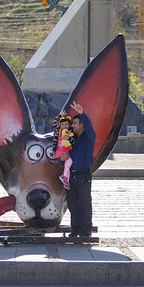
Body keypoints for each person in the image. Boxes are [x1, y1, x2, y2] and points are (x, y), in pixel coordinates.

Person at [60, 101, 96, 237]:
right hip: (71, 176)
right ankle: (75, 229)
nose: (72, 126)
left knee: (85, 204)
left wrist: (82, 114)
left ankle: (86, 230)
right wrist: (61, 158)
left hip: (83, 175)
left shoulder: (88, 138)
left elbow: (89, 128)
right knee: (73, 205)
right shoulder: (72, 140)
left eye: (75, 123)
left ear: (81, 125)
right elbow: (64, 155)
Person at [52, 111, 76, 190]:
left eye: (66, 124)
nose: (64, 126)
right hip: (60, 151)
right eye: (62, 124)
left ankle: (66, 182)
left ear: (69, 125)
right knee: (69, 162)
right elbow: (54, 123)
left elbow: (73, 140)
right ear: (60, 125)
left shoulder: (70, 133)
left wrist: (69, 138)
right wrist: (59, 116)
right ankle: (64, 177)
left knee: (68, 166)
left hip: (66, 151)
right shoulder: (58, 131)